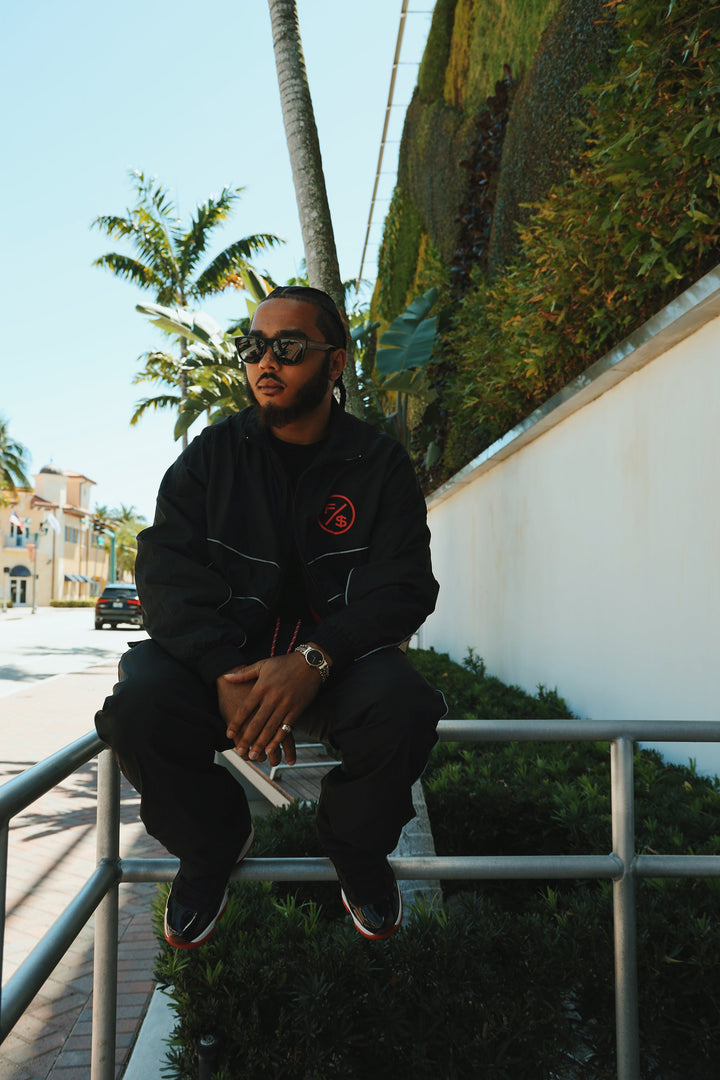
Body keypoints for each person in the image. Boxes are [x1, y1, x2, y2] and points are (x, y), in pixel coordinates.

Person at [95, 285, 445, 948]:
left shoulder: (379, 465)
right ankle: (212, 844)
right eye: (254, 347)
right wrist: (222, 669)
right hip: (225, 663)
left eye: (287, 347)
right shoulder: (212, 457)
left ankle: (356, 849)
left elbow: (405, 586)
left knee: (404, 708)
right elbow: (164, 571)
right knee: (138, 705)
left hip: (336, 667)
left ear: (334, 362)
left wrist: (316, 658)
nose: (265, 362)